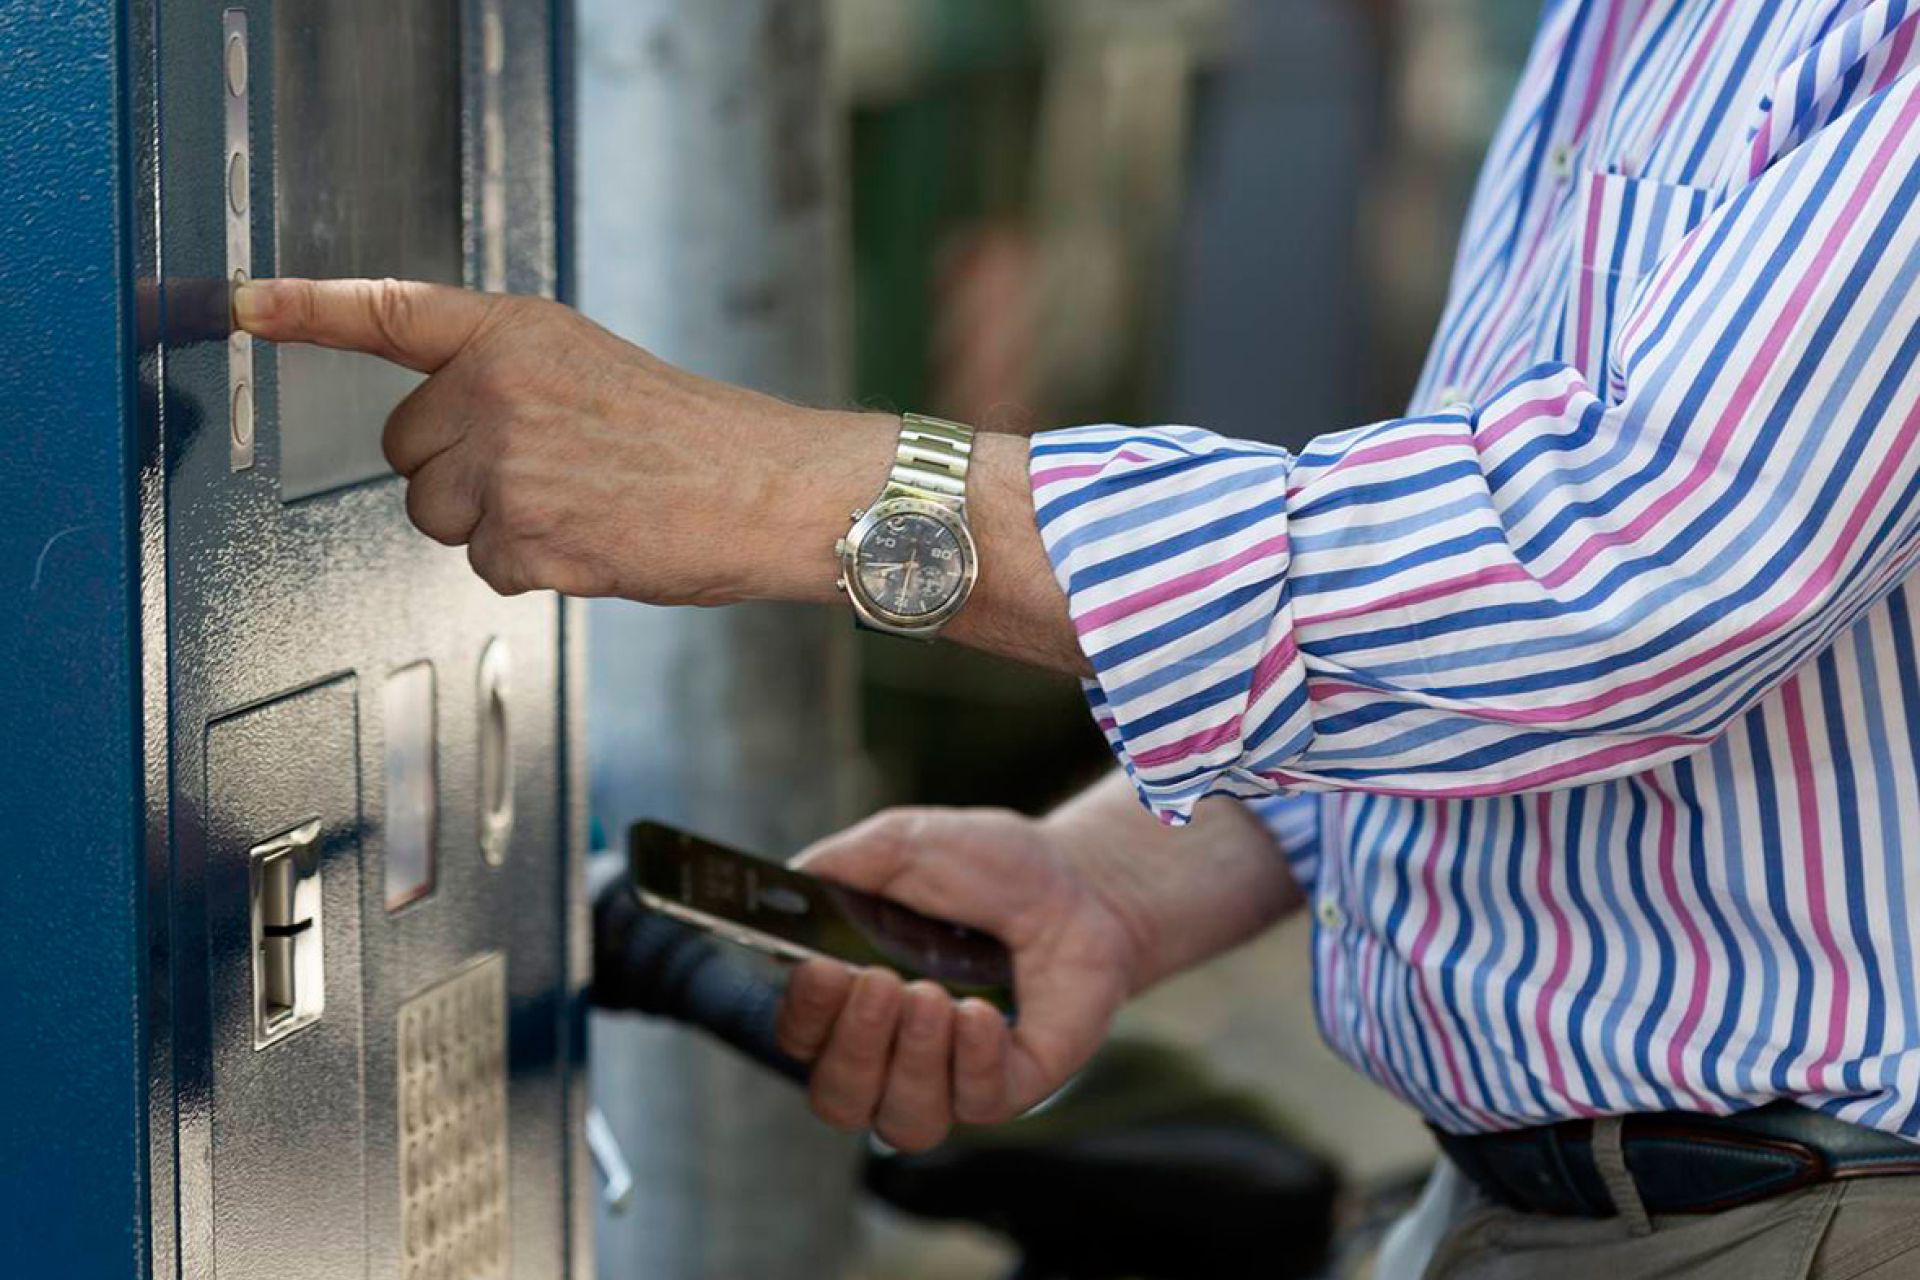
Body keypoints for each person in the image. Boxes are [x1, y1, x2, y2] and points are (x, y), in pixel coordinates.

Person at [235, 1, 1920, 1273]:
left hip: (1808, 1208)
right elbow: (1487, 630)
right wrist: (1122, 879)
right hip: (1557, 1199)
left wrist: (794, 489)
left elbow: (1623, 575)